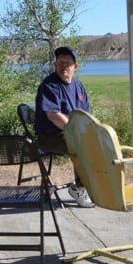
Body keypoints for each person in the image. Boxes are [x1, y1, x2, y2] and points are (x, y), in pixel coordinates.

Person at [34, 46, 95, 208]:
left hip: (71, 134)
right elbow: (53, 115)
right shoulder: (49, 86)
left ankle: (93, 186)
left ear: (75, 66)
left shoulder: (78, 86)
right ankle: (79, 188)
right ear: (55, 65)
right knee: (82, 144)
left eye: (68, 63)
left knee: (97, 142)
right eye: (60, 62)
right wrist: (77, 133)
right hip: (50, 137)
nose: (63, 66)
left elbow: (85, 115)